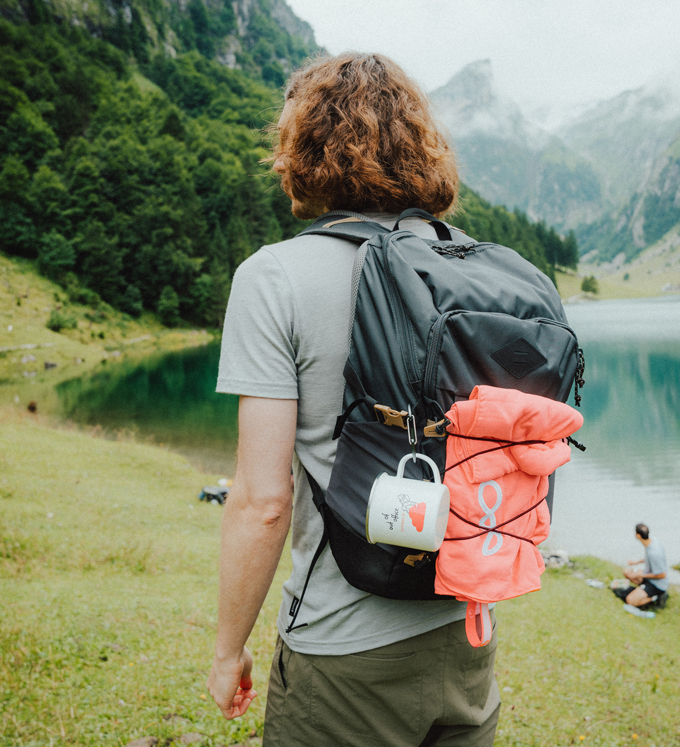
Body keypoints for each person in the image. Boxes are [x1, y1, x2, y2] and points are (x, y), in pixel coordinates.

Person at [206, 53, 500, 746]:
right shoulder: (470, 265)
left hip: (341, 648)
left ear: (301, 148)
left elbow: (262, 499)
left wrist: (228, 649)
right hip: (467, 636)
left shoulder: (275, 277)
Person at [622, 523, 668, 617]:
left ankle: (655, 598)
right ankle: (642, 590)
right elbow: (649, 558)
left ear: (638, 535)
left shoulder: (654, 553)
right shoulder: (653, 541)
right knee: (626, 572)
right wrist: (636, 562)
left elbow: (662, 575)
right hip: (649, 576)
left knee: (629, 600)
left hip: (657, 585)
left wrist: (641, 575)